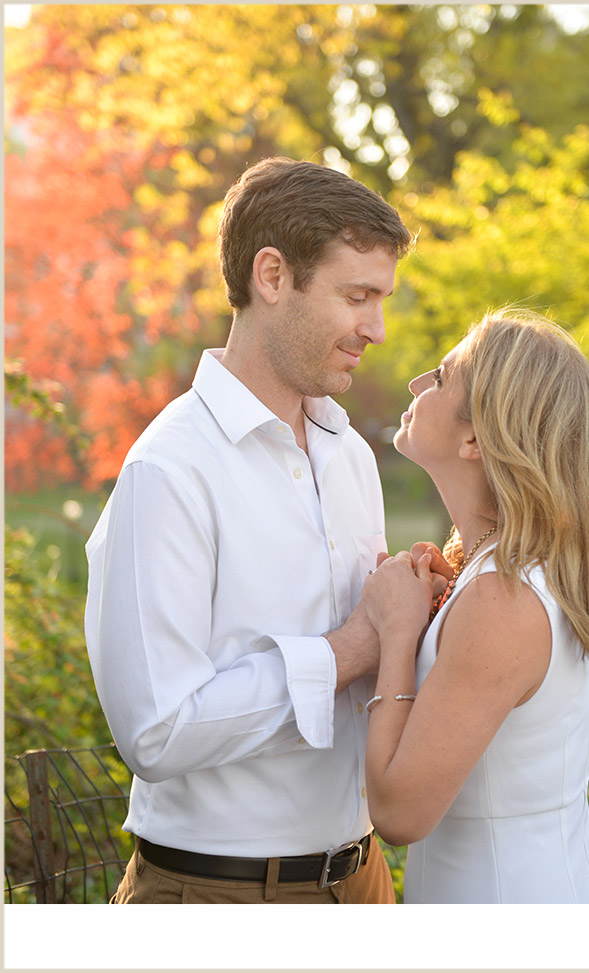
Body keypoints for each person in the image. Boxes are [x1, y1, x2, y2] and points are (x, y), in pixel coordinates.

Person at [85, 157, 415, 903]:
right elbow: (155, 730)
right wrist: (349, 649)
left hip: (363, 882)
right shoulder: (169, 470)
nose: (378, 328)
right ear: (273, 276)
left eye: (381, 299)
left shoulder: (352, 457)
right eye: (357, 296)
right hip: (217, 897)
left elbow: (377, 662)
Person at [357, 312, 589, 903]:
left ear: (475, 438)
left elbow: (401, 814)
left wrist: (400, 632)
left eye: (440, 375)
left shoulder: (501, 598)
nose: (415, 384)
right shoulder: (517, 568)